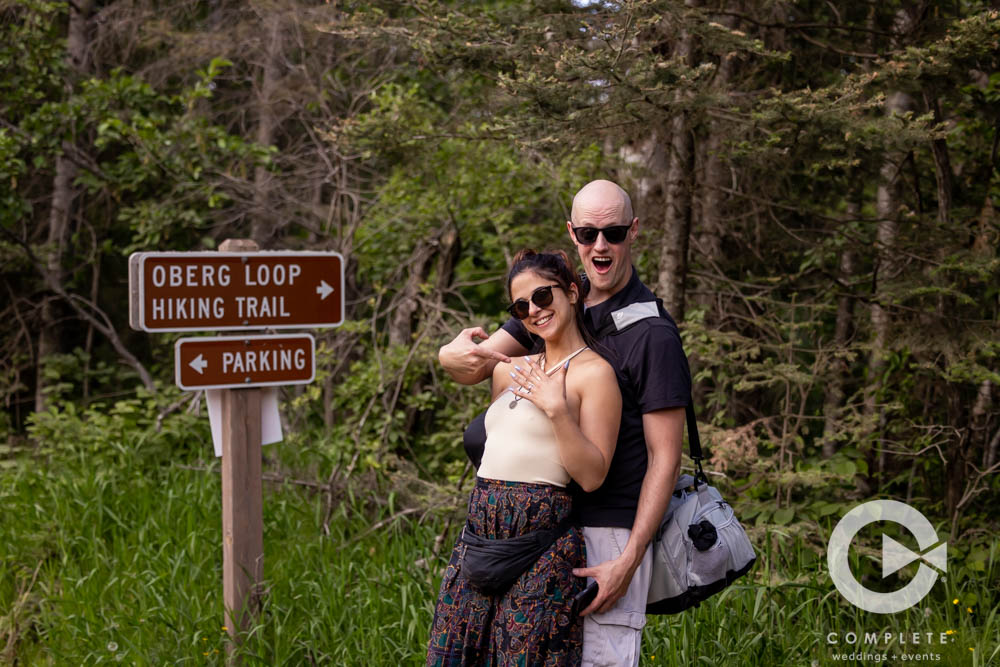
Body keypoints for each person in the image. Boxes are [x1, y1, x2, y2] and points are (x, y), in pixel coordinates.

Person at [439, 180, 691, 667]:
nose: (601, 245)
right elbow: (473, 362)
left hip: (609, 532)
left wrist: (629, 559)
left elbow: (666, 456)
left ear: (633, 232)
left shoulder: (651, 333)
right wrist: (446, 352)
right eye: (590, 233)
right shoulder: (549, 304)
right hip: (545, 537)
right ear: (573, 234)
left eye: (614, 232)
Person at [427, 249, 622, 666]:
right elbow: (459, 368)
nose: (534, 310)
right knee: (453, 656)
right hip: (478, 539)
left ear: (572, 292)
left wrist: (557, 411)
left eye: (543, 297)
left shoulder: (595, 374)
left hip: (542, 548)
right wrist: (445, 353)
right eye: (522, 306)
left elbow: (591, 476)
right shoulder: (507, 370)